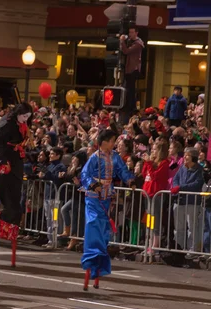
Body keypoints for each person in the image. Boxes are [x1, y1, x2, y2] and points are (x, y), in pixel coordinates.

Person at [0, 102, 34, 269]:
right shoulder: (5, 124)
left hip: (16, 161)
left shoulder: (22, 125)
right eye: (24, 116)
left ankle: (5, 229)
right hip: (3, 162)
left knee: (15, 202)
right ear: (17, 113)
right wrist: (1, 161)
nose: (26, 119)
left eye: (28, 117)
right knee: (2, 197)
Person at [80, 129, 134, 290]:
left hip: (107, 195)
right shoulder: (94, 157)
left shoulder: (115, 156)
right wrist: (93, 185)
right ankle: (91, 256)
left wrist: (130, 180)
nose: (114, 143)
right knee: (93, 223)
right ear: (104, 142)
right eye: (112, 141)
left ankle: (98, 260)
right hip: (93, 196)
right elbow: (84, 174)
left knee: (103, 226)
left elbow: (122, 170)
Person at [120, 26, 144, 118]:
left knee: (130, 89)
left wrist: (122, 41)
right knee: (129, 88)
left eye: (132, 32)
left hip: (133, 69)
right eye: (129, 32)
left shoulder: (138, 44)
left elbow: (126, 51)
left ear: (136, 33)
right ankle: (129, 105)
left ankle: (131, 107)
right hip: (130, 69)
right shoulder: (133, 42)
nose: (130, 34)